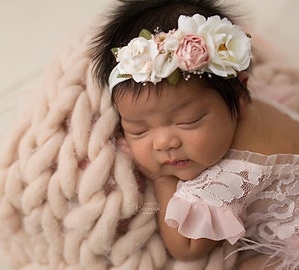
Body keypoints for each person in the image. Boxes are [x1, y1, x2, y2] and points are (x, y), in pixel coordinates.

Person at [90, 0, 299, 269]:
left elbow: (186, 248)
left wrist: (161, 179)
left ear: (239, 94)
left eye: (189, 121)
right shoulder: (255, 109)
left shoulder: (224, 181)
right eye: (138, 129)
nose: (164, 142)